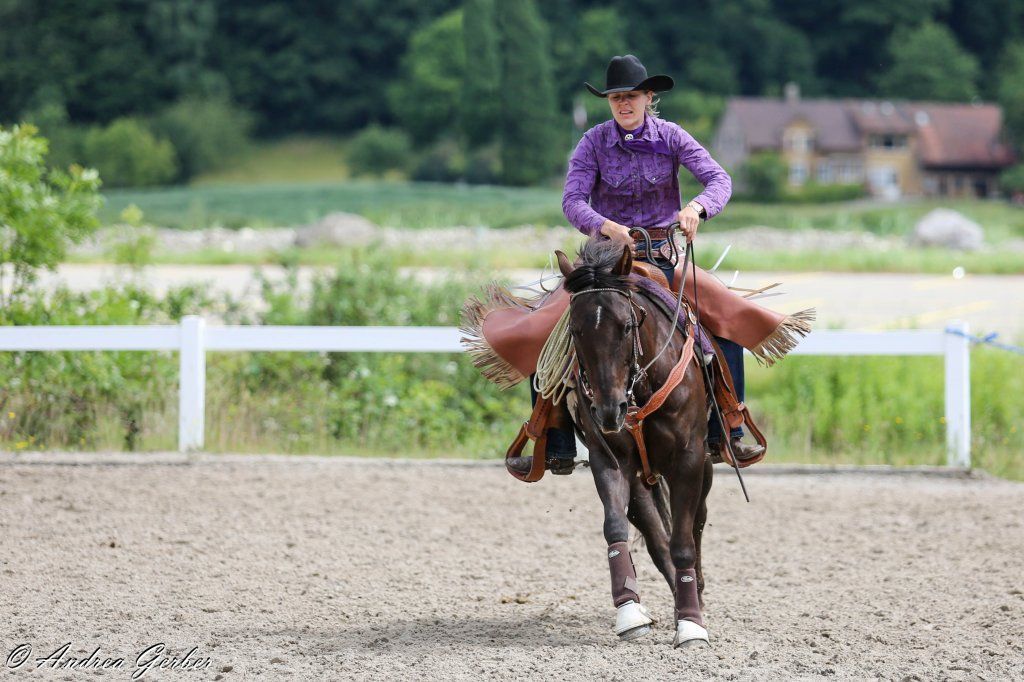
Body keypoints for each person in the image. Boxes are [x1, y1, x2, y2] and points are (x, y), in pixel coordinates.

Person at [557, 54, 765, 465]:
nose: (623, 104)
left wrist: (697, 209)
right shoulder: (593, 142)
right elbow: (572, 200)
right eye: (616, 97)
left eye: (631, 96)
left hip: (663, 257)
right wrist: (604, 225)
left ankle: (728, 428)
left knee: (724, 320)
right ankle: (553, 438)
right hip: (606, 261)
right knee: (549, 330)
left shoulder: (672, 136)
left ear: (649, 97)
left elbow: (719, 179)